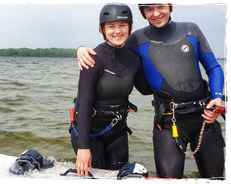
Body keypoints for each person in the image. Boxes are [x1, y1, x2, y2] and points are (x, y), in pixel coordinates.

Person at [76, 3, 225, 179]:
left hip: (205, 117)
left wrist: (217, 97)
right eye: (149, 9)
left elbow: (214, 68)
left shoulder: (191, 30)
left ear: (171, 7)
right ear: (142, 13)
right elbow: (111, 50)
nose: (156, 13)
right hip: (169, 123)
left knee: (216, 178)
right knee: (168, 179)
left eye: (161, 6)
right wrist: (80, 50)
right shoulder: (135, 39)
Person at [70, 3, 152, 177]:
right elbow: (84, 103)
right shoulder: (92, 58)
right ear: (102, 30)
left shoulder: (134, 60)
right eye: (111, 26)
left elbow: (146, 89)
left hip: (117, 132)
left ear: (130, 28)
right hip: (90, 134)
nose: (117, 31)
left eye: (122, 25)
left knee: (119, 176)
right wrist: (83, 147)